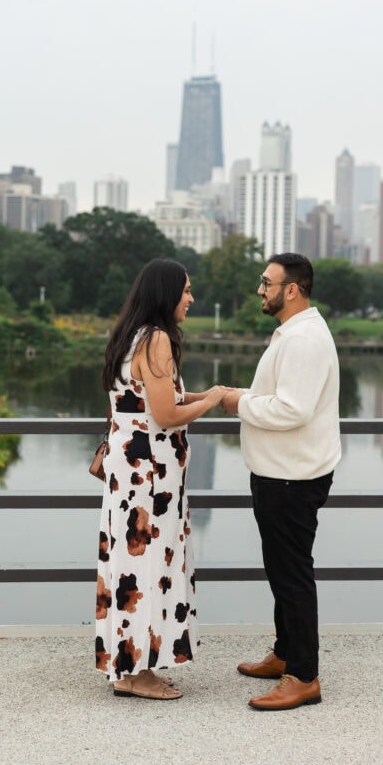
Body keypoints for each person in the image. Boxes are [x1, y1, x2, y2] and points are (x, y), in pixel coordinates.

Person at [96, 258, 226, 700]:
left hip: (131, 473)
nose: (191, 298)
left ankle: (131, 668)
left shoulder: (132, 335)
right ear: (167, 293)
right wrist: (210, 404)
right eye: (186, 290)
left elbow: (157, 399)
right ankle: (138, 674)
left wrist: (208, 394)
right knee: (148, 566)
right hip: (149, 478)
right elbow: (167, 415)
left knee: (133, 565)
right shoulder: (157, 340)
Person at [221, 253, 341, 711]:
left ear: (292, 289)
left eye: (267, 282)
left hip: (292, 478)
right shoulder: (294, 334)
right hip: (280, 474)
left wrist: (237, 402)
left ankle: (304, 676)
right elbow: (282, 398)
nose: (260, 289)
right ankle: (285, 652)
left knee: (292, 575)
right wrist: (246, 397)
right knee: (281, 568)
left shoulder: (305, 339)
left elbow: (293, 409)